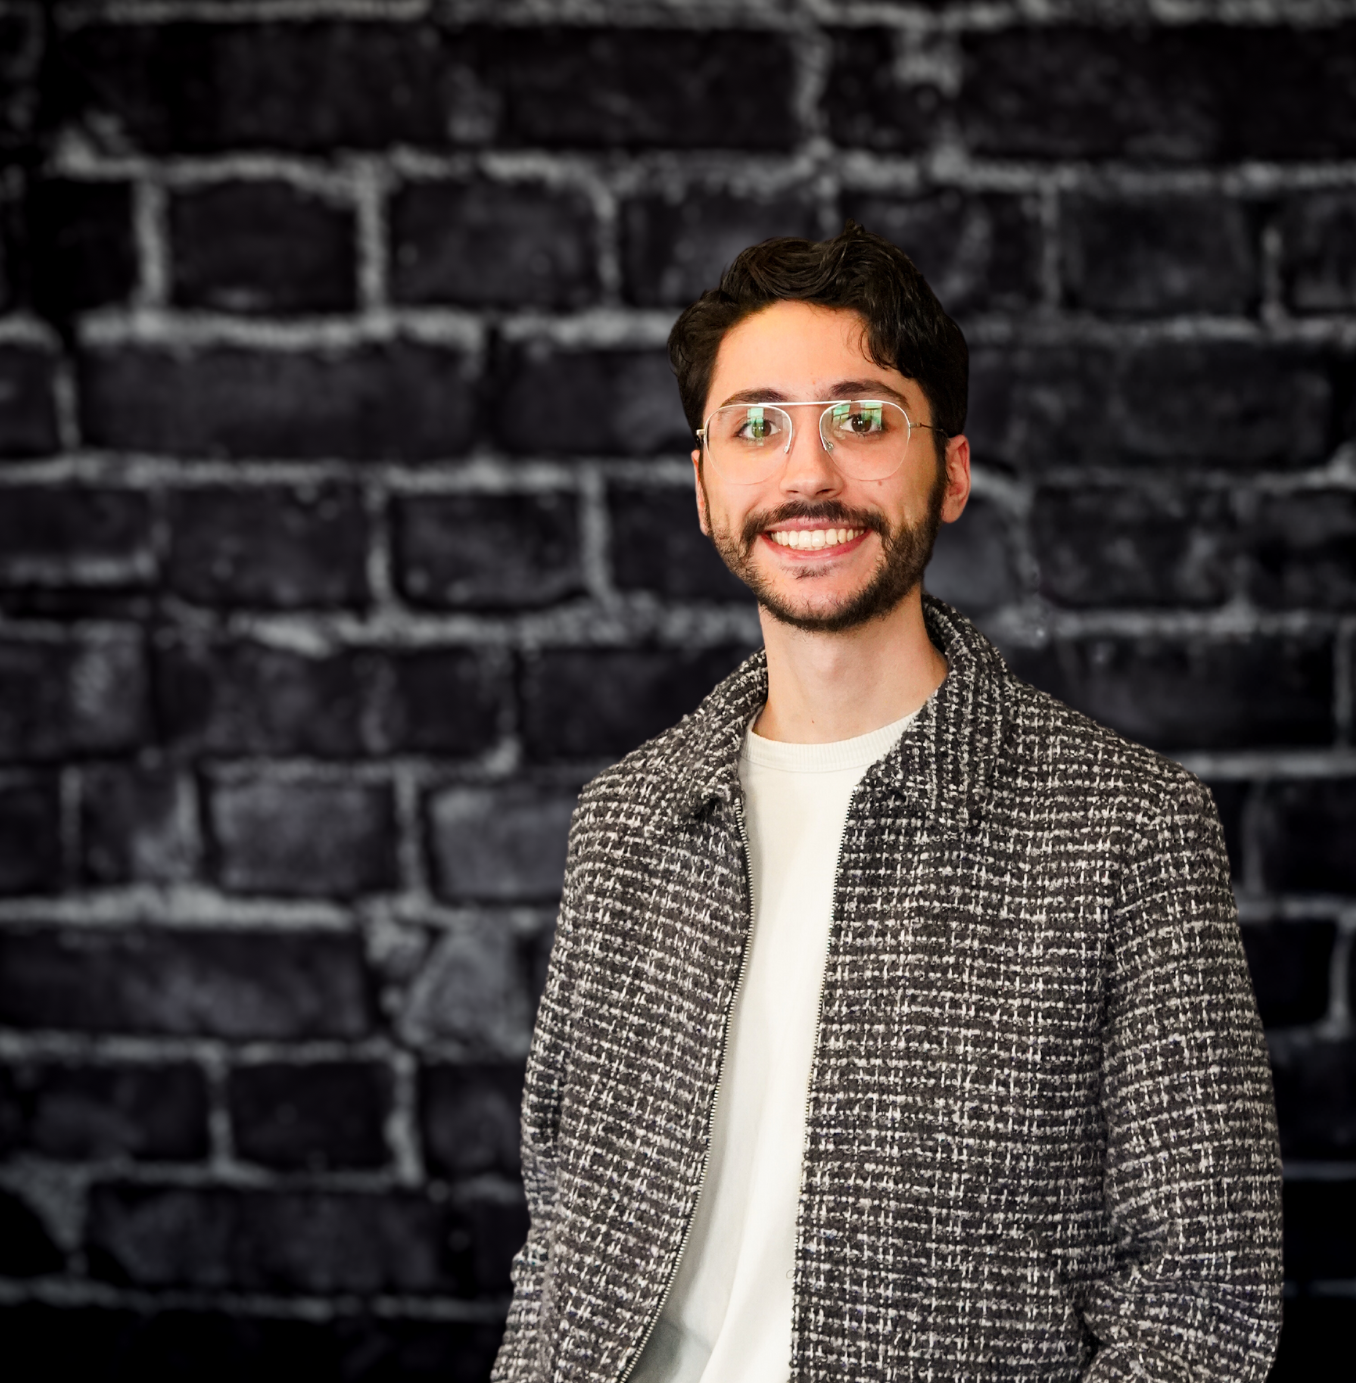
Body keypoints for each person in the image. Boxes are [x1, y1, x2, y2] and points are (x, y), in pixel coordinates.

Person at [491, 224, 1281, 1383]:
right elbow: (558, 1250)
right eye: (754, 425)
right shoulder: (628, 821)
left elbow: (1199, 1309)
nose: (806, 475)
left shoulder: (1126, 830)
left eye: (861, 419)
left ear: (950, 471)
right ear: (704, 481)